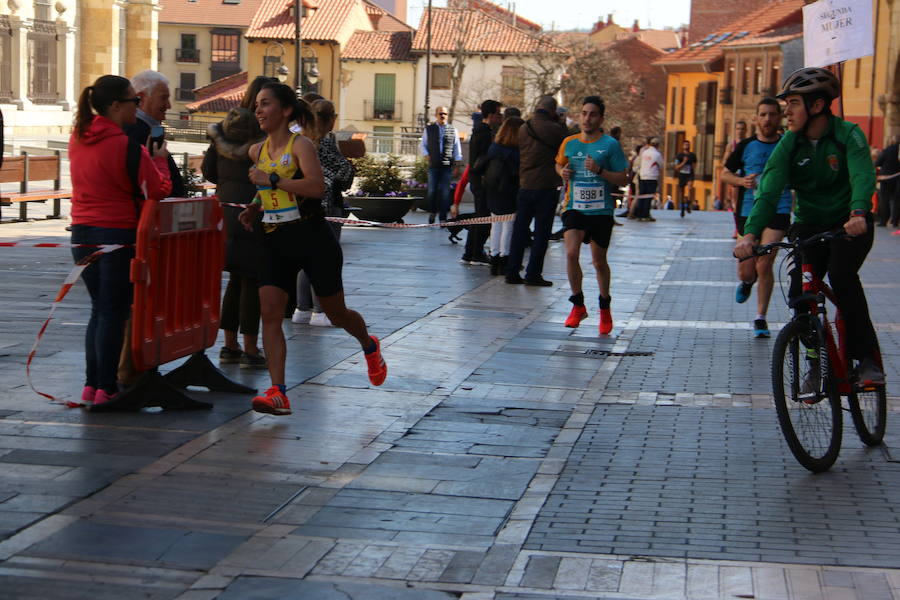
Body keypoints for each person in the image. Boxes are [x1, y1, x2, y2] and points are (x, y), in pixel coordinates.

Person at [238, 82, 387, 415]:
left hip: (312, 237)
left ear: (286, 110)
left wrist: (272, 181)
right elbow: (266, 190)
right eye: (257, 105)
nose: (259, 110)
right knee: (271, 314)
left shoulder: (301, 145)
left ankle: (368, 344)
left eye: (265, 104)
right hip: (274, 238)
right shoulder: (257, 151)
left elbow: (316, 187)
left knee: (336, 314)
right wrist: (254, 206)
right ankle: (278, 392)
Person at [734, 67, 884, 386]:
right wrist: (749, 233)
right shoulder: (789, 144)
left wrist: (858, 212)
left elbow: (862, 176)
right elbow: (769, 191)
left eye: (793, 104)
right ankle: (815, 362)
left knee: (843, 277)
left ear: (816, 106)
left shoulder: (848, 135)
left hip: (850, 223)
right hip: (809, 224)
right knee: (801, 292)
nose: (786, 111)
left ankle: (866, 359)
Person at [69, 75, 172, 407]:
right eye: (133, 102)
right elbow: (158, 190)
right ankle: (106, 387)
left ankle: (91, 385)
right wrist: (159, 160)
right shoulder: (127, 146)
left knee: (99, 311)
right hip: (117, 235)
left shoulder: (77, 138)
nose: (137, 107)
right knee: (113, 312)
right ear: (116, 106)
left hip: (82, 234)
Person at [203, 76, 272, 369]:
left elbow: (208, 169)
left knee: (234, 279)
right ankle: (250, 349)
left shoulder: (224, 130)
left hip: (224, 211)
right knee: (252, 280)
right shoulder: (266, 134)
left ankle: (229, 346)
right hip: (252, 212)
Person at [556, 96, 629, 335]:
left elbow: (624, 178)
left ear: (601, 118)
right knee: (570, 253)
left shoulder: (610, 145)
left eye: (593, 114)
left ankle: (605, 307)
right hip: (574, 207)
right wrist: (563, 172)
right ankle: (577, 305)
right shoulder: (569, 142)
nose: (587, 118)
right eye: (584, 113)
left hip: (600, 211)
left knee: (599, 262)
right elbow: (558, 165)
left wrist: (600, 170)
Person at [723, 97, 792, 339]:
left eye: (772, 114)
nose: (768, 119)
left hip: (779, 208)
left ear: (779, 118)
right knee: (747, 270)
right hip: (748, 211)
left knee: (765, 263)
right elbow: (724, 174)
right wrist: (742, 181)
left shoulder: (786, 145)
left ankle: (760, 318)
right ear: (756, 118)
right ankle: (746, 282)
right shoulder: (744, 146)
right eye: (763, 114)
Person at [292, 98, 354, 326]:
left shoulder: (299, 139)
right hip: (327, 205)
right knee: (325, 260)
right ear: (331, 120)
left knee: (305, 259)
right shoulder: (326, 142)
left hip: (303, 204)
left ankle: (301, 309)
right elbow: (343, 171)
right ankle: (320, 311)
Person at [505, 95, 568, 286]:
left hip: (525, 185)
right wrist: (562, 124)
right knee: (542, 233)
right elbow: (566, 148)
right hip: (546, 187)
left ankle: (512, 271)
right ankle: (533, 274)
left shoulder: (524, 127)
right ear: (552, 111)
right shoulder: (555, 129)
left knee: (519, 231)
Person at [475, 115, 523, 275]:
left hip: (493, 188)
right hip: (509, 189)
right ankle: (504, 258)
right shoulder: (516, 151)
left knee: (496, 223)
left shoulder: (495, 147)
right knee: (508, 225)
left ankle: (494, 257)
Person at [125, 70, 185, 198]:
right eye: (163, 98)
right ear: (140, 98)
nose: (168, 105)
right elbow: (152, 186)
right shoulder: (138, 132)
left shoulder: (151, 129)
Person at [460, 100, 502, 265]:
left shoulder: (479, 131)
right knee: (483, 218)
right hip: (483, 181)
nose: (500, 117)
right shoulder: (485, 134)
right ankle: (476, 252)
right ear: (490, 115)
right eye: (498, 113)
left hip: (477, 180)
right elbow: (483, 158)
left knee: (479, 216)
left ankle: (470, 252)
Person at [420, 106, 462, 224]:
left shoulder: (453, 130)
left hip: (446, 166)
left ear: (447, 115)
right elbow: (422, 144)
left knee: (445, 193)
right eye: (440, 113)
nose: (442, 116)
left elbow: (457, 148)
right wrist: (426, 155)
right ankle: (433, 211)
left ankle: (443, 218)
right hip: (433, 165)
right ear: (436, 115)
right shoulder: (429, 129)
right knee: (432, 191)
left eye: (445, 114)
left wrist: (457, 165)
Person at [635, 137, 661, 221]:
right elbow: (662, 165)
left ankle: (639, 214)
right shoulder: (657, 154)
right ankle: (645, 215)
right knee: (648, 197)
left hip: (642, 176)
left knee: (642, 196)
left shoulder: (644, 152)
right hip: (652, 177)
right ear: (657, 145)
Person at [875, 136, 899, 228]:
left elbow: (877, 163)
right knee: (897, 200)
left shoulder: (887, 150)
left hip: (886, 178)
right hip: (898, 178)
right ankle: (895, 221)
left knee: (884, 200)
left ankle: (883, 221)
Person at [674, 140, 697, 216]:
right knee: (682, 192)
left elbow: (695, 164)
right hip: (682, 174)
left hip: (690, 174)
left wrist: (693, 170)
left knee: (690, 188)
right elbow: (676, 167)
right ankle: (683, 208)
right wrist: (683, 162)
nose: (687, 146)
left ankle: (688, 203)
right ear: (682, 146)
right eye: (685, 144)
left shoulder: (692, 155)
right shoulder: (679, 156)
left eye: (688, 144)